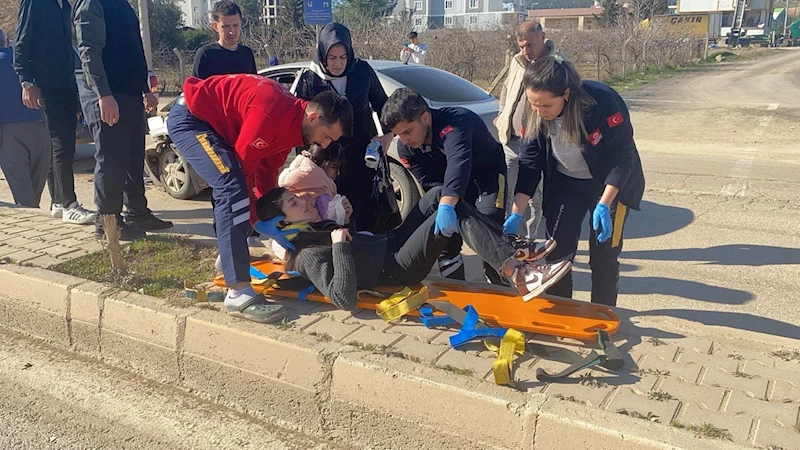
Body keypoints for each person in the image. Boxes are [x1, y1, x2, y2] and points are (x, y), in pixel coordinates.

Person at [167, 73, 353, 322]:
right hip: (192, 120)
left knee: (239, 189)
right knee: (231, 187)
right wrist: (255, 220)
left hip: (216, 128)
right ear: (313, 117)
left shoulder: (292, 127)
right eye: (327, 135)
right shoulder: (271, 111)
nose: (326, 144)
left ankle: (230, 257)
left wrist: (274, 216)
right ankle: (238, 292)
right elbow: (244, 171)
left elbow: (266, 174)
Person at [256, 185, 570, 311]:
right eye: (294, 203)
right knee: (453, 214)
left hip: (391, 244)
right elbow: (344, 299)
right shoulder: (307, 256)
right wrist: (339, 246)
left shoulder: (314, 230)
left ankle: (511, 249)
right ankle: (518, 272)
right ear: (282, 224)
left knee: (439, 197)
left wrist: (345, 225)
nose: (305, 202)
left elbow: (356, 249)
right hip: (397, 267)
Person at [505, 56, 645, 307]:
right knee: (557, 252)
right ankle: (562, 309)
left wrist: (604, 204)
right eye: (533, 104)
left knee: (603, 256)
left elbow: (624, 158)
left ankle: (602, 312)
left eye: (546, 106)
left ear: (566, 94)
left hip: (610, 186)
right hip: (567, 183)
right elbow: (530, 165)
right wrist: (517, 213)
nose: (539, 112)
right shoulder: (533, 112)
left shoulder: (602, 102)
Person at [383, 87, 539, 286]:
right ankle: (458, 296)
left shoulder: (456, 122)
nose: (404, 140)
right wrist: (451, 207)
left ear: (425, 117)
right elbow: (430, 184)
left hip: (487, 177)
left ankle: (503, 286)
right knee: (446, 239)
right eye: (398, 135)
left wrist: (449, 203)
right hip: (451, 185)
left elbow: (459, 162)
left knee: (489, 225)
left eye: (407, 131)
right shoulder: (406, 149)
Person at [73, 0, 173, 240]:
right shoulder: (92, 4)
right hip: (108, 95)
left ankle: (137, 213)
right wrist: (103, 94)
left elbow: (133, 49)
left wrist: (145, 89)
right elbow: (89, 51)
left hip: (129, 94)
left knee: (132, 158)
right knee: (111, 161)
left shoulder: (123, 5)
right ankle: (107, 222)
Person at [294, 22, 395, 233]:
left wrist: (387, 136)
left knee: (361, 210)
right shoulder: (309, 78)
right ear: (322, 54)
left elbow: (385, 106)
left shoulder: (362, 72)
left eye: (343, 57)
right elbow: (299, 122)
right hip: (324, 161)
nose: (338, 64)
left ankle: (365, 253)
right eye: (332, 58)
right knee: (327, 212)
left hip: (360, 157)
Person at [13, 0, 96, 223]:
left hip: (66, 83)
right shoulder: (35, 3)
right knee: (61, 143)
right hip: (45, 84)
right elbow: (21, 43)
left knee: (61, 143)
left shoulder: (66, 7)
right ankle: (70, 204)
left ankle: (58, 202)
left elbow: (67, 48)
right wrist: (27, 82)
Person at [495, 21, 559, 240]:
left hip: (537, 144)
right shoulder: (517, 62)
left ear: (543, 37)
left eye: (530, 45)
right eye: (521, 46)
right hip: (511, 142)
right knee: (508, 194)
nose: (526, 51)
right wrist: (503, 114)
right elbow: (505, 88)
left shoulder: (557, 66)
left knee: (533, 197)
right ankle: (511, 239)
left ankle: (528, 242)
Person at [0, 29, 51, 208]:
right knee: (35, 189)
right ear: (7, 42)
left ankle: (35, 226)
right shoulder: (27, 61)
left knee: (23, 194)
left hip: (9, 133)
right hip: (42, 126)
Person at [278, 143, 352, 225]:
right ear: (321, 162)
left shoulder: (296, 175)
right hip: (317, 234)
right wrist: (344, 217)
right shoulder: (320, 191)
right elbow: (331, 224)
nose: (337, 173)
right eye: (334, 167)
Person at [191, 0, 257, 80]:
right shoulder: (206, 54)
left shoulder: (247, 54)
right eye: (226, 26)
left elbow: (253, 87)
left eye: (235, 25)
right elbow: (196, 90)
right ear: (215, 26)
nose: (231, 31)